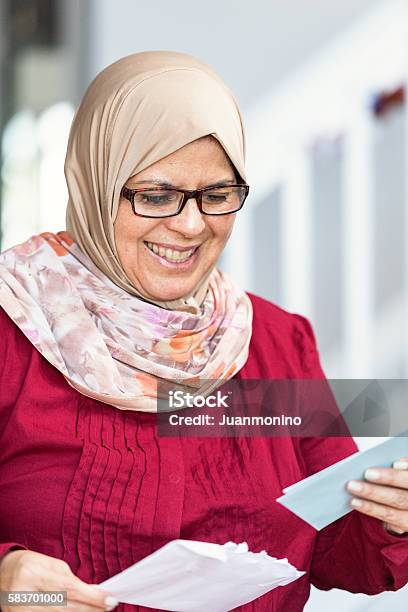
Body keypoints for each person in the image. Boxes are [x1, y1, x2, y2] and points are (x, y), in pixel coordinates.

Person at [0, 50, 407, 612]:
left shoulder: (274, 340)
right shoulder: (12, 327)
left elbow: (336, 553)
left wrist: (391, 517)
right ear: (96, 183)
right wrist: (8, 575)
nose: (191, 226)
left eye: (216, 196)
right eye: (156, 195)